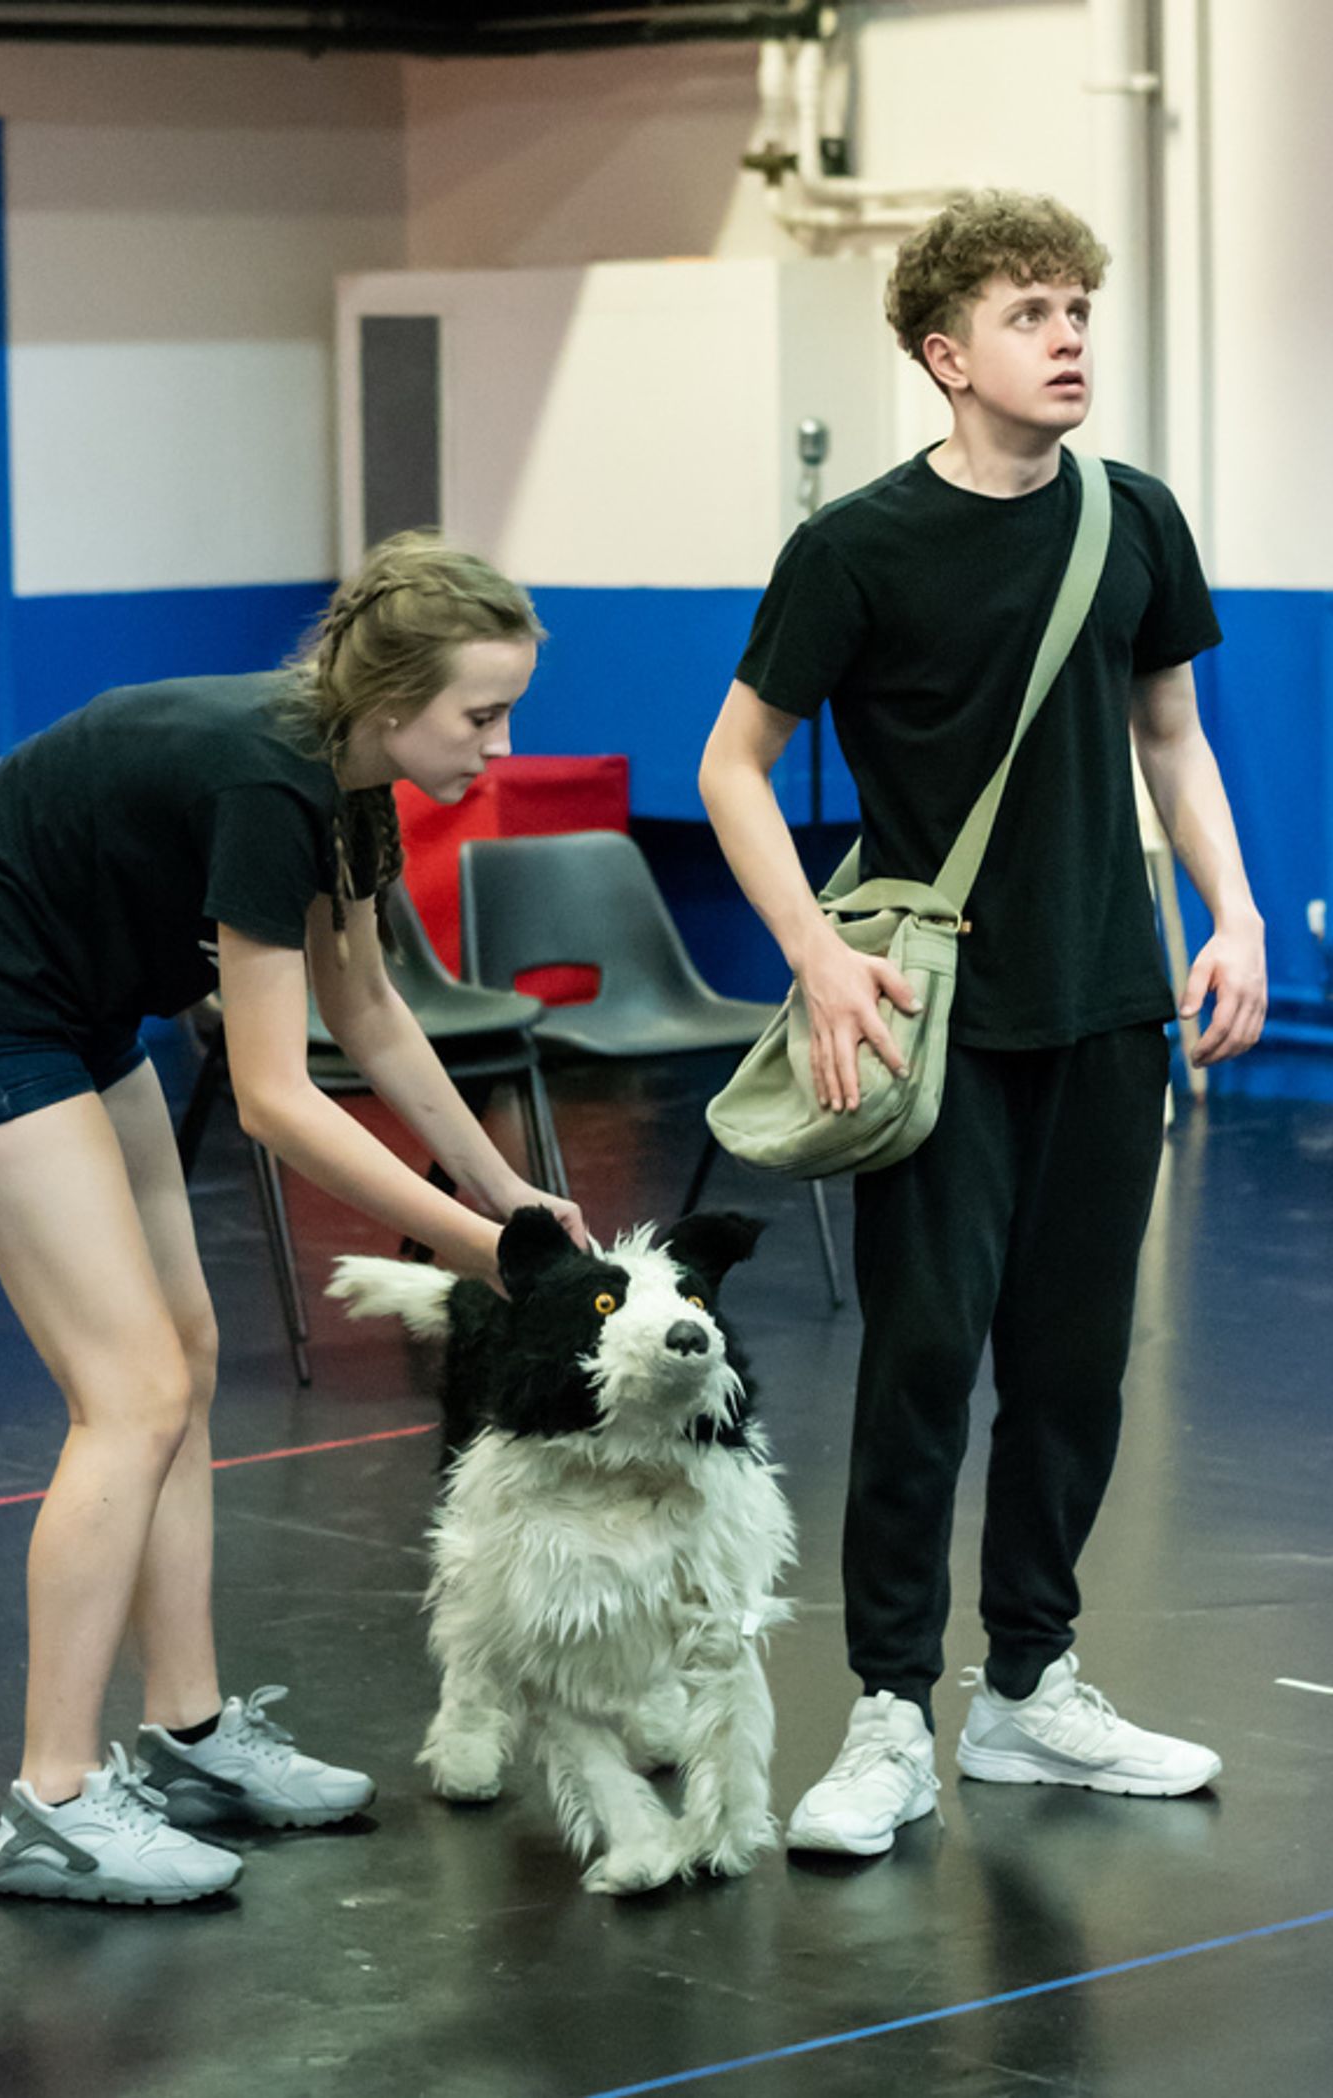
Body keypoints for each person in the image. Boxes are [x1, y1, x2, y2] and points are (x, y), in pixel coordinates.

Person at [698, 191, 1266, 1859]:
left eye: (1081, 306)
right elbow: (733, 763)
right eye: (1032, 313)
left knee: (1074, 1369)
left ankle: (1030, 1686)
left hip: (1107, 1002)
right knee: (926, 1364)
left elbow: (1171, 733)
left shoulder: (1136, 518)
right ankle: (890, 1709)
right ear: (948, 355)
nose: (1072, 335)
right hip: (925, 1010)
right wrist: (812, 952)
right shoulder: (856, 548)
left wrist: (1230, 912)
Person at [0, 530, 584, 1904]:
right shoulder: (270, 780)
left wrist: (509, 1192)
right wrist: (489, 1259)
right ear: (395, 696)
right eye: (482, 712)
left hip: (87, 1005)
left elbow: (371, 1012)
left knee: (189, 1360)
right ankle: (50, 1801)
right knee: (131, 1392)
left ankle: (188, 1735)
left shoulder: (349, 779)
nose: (501, 743)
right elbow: (279, 1098)